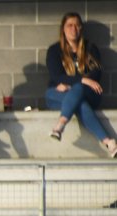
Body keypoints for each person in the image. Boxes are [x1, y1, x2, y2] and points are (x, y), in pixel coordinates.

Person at [45, 12, 117, 158]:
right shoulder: (54, 50)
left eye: (77, 25)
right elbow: (56, 76)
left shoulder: (91, 48)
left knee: (78, 92)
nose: (73, 29)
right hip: (58, 95)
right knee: (75, 101)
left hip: (89, 93)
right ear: (63, 29)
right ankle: (109, 142)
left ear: (81, 29)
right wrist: (82, 80)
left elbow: (95, 74)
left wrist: (73, 84)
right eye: (69, 25)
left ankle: (60, 126)